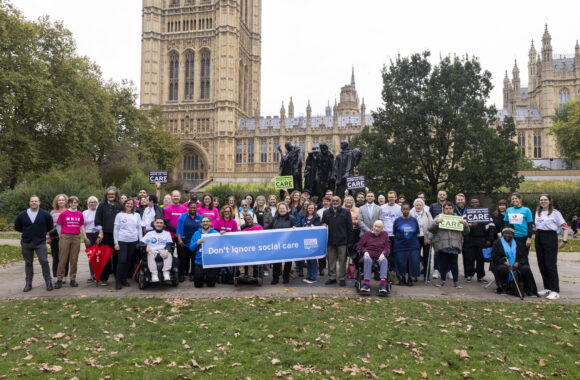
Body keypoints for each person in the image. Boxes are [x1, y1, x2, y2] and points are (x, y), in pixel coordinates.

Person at [14, 195, 54, 292]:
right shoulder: (22, 215)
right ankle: (28, 283)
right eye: (32, 201)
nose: (34, 203)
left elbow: (50, 226)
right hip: (26, 242)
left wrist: (42, 233)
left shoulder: (45, 214)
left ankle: (48, 282)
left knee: (44, 261)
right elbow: (17, 226)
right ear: (29, 203)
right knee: (28, 263)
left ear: (39, 202)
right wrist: (28, 232)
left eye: (36, 201)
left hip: (40, 242)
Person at [535, 194, 568, 300]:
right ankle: (547, 287)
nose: (543, 201)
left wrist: (564, 240)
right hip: (539, 236)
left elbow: (564, 226)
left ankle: (555, 290)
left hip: (550, 237)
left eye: (545, 199)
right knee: (542, 263)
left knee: (550, 264)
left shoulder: (555, 213)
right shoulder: (538, 212)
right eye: (541, 200)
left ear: (549, 201)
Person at [429, 201, 470, 288]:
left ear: (453, 209)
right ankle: (442, 280)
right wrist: (436, 222)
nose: (448, 210)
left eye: (450, 208)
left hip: (454, 245)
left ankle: (456, 281)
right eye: (446, 208)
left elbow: (466, 232)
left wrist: (465, 224)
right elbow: (431, 229)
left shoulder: (459, 218)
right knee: (443, 264)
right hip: (442, 245)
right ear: (443, 209)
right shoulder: (439, 217)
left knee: (454, 264)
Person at [54, 196, 89, 289]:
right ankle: (59, 279)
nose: (74, 204)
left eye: (76, 202)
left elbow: (82, 226)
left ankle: (73, 279)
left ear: (78, 204)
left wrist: (85, 237)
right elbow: (58, 225)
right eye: (72, 202)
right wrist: (60, 235)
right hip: (65, 236)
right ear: (69, 203)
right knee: (62, 259)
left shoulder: (80, 214)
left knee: (74, 259)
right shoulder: (64, 213)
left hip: (76, 237)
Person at [492, 228, 537, 297]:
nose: (507, 235)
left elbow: (524, 256)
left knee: (526, 268)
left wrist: (518, 262)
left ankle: (528, 289)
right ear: (503, 234)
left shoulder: (518, 244)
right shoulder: (497, 243)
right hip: (502, 264)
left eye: (510, 233)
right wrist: (504, 262)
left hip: (515, 265)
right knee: (502, 268)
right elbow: (494, 256)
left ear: (513, 235)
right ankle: (503, 288)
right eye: (505, 233)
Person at [322, 196, 353, 287]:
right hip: (330, 241)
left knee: (342, 260)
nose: (335, 202)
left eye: (337, 200)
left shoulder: (346, 212)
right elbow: (323, 225)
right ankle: (332, 277)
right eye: (333, 201)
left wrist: (350, 241)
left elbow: (350, 227)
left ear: (340, 201)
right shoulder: (326, 212)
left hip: (342, 241)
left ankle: (342, 278)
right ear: (331, 202)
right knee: (331, 260)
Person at [95, 187, 123, 286]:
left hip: (118, 235)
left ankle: (118, 278)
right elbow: (98, 221)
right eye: (109, 194)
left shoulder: (120, 206)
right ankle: (104, 279)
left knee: (117, 257)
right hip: (105, 235)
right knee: (105, 257)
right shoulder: (101, 206)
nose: (111, 196)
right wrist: (100, 232)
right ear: (106, 195)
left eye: (113, 194)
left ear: (116, 195)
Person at [357, 220, 390, 294]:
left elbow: (387, 247)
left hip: (379, 256)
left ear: (382, 228)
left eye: (378, 227)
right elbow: (359, 246)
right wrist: (365, 251)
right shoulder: (367, 234)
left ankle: (382, 285)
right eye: (375, 226)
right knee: (367, 260)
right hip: (369, 255)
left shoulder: (385, 234)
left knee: (384, 260)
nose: (376, 228)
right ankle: (366, 284)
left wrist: (383, 253)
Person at [268, 202, 297, 284]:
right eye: (280, 208)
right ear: (278, 209)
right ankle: (275, 278)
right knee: (276, 262)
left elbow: (296, 228)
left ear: (287, 209)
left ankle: (286, 278)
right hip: (277, 244)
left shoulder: (292, 218)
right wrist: (258, 228)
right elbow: (268, 228)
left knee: (288, 262)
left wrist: (295, 228)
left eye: (283, 208)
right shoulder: (274, 218)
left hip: (288, 244)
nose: (282, 210)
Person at [393, 202, 420, 286]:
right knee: (401, 263)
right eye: (403, 209)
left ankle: (410, 278)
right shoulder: (397, 221)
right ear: (401, 210)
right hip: (400, 246)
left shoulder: (414, 220)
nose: (405, 211)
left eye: (407, 209)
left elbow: (417, 232)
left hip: (412, 245)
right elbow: (394, 232)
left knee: (412, 263)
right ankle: (403, 278)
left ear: (409, 210)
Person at [462, 197, 488, 283]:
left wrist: (488, 239)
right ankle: (469, 275)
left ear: (479, 203)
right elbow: (463, 228)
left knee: (481, 259)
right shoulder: (466, 214)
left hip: (481, 239)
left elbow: (490, 227)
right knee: (470, 258)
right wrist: (471, 226)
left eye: (476, 202)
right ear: (470, 204)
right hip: (470, 239)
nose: (474, 204)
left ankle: (480, 276)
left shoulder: (485, 213)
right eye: (472, 202)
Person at [176, 202, 202, 282]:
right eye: (191, 207)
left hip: (194, 243)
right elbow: (178, 229)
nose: (193, 209)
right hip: (184, 242)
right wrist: (179, 239)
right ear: (188, 208)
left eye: (194, 207)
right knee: (183, 259)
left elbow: (201, 229)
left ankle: (193, 274)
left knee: (194, 259)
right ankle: (181, 275)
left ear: (196, 208)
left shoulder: (200, 217)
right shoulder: (183, 216)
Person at [142, 217, 173, 283]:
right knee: (150, 253)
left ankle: (166, 272)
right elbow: (140, 243)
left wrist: (167, 250)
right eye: (157, 223)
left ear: (163, 224)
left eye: (161, 223)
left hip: (162, 250)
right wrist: (146, 246)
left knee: (168, 253)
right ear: (154, 224)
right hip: (152, 251)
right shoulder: (149, 234)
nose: (159, 224)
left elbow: (169, 244)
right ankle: (154, 274)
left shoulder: (167, 233)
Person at [190, 216, 219, 288]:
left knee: (211, 285)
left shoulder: (215, 233)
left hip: (211, 262)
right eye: (203, 221)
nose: (205, 223)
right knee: (198, 286)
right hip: (199, 262)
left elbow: (220, 245)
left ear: (210, 223)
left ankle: (207, 277)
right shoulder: (196, 233)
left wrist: (222, 235)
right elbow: (191, 248)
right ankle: (201, 277)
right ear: (201, 224)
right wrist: (197, 243)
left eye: (207, 221)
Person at [504, 192, 534, 256]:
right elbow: (506, 224)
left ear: (520, 199)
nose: (514, 200)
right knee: (512, 256)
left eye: (516, 198)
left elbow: (530, 225)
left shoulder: (526, 210)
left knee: (523, 257)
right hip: (511, 237)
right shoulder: (508, 210)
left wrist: (529, 238)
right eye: (512, 199)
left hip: (523, 237)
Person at [410, 198, 433, 279]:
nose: (418, 206)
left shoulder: (427, 213)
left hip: (425, 237)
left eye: (420, 205)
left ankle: (426, 276)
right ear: (414, 205)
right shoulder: (411, 213)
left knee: (427, 257)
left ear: (423, 205)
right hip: (415, 238)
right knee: (415, 257)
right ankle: (415, 275)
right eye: (417, 205)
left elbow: (431, 226)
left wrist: (429, 238)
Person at [48, 194, 68, 280]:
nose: (61, 201)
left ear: (66, 201)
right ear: (56, 202)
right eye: (59, 200)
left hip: (67, 238)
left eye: (63, 200)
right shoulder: (52, 213)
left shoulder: (69, 211)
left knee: (66, 258)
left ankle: (65, 276)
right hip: (55, 239)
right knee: (56, 258)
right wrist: (48, 238)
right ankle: (56, 276)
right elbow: (48, 226)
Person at [301, 202, 321, 284]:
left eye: (312, 208)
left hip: (313, 241)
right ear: (306, 209)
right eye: (309, 208)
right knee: (308, 259)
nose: (310, 209)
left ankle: (313, 277)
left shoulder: (317, 217)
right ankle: (309, 275)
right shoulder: (304, 217)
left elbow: (318, 228)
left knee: (313, 259)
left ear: (314, 209)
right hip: (305, 240)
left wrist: (315, 227)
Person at [429, 190, 448, 280]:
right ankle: (436, 270)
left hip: (447, 233)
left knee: (447, 252)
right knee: (437, 252)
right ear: (437, 196)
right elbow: (431, 220)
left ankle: (447, 270)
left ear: (446, 196)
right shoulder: (433, 206)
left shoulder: (449, 206)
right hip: (436, 233)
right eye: (440, 194)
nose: (442, 196)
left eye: (443, 195)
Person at [241, 213, 263, 278]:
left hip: (257, 249)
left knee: (251, 258)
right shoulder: (244, 230)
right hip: (248, 249)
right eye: (246, 220)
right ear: (245, 222)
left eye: (249, 219)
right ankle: (242, 273)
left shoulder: (259, 227)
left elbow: (262, 238)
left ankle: (251, 275)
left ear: (252, 219)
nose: (248, 221)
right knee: (240, 257)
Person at [83, 196, 99, 282]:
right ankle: (92, 274)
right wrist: (85, 238)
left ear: (97, 203)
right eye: (91, 202)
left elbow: (101, 224)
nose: (92, 203)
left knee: (98, 255)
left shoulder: (99, 212)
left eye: (94, 202)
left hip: (97, 235)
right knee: (91, 256)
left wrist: (99, 236)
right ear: (88, 204)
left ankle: (98, 274)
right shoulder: (85, 213)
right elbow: (82, 226)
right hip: (88, 235)